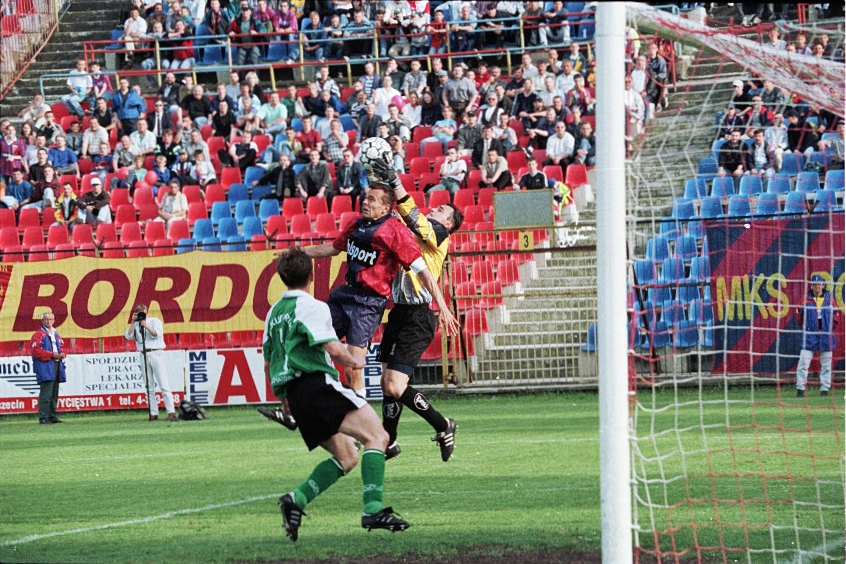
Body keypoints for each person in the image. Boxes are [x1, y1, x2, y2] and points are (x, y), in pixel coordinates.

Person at [262, 248, 410, 542]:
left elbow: (268, 363)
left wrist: (284, 398)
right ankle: (373, 509)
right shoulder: (313, 306)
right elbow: (332, 348)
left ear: (281, 277)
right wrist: (354, 361)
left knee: (347, 456)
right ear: (312, 276)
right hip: (317, 386)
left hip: (296, 395)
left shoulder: (273, 313)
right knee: (378, 437)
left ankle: (296, 499)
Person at [302, 184, 450, 399]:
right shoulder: (356, 224)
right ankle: (322, 397)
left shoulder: (396, 231)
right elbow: (333, 248)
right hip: (345, 294)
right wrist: (300, 252)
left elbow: (423, 271)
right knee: (312, 344)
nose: (365, 202)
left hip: (368, 303)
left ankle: (361, 414)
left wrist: (442, 305)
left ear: (385, 208)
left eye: (371, 199)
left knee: (353, 368)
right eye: (365, 197)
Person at [367, 149, 463, 463]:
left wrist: (395, 180)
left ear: (448, 224)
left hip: (419, 316)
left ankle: (443, 424)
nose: (435, 208)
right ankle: (389, 441)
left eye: (441, 209)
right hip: (399, 312)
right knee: (387, 383)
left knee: (395, 385)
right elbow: (397, 219)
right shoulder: (417, 232)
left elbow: (412, 217)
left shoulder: (439, 235)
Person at [125, 304, 176, 421]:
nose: (141, 314)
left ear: (147, 312)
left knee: (163, 383)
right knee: (149, 385)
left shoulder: (155, 321)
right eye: (139, 312)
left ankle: (171, 412)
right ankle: (153, 413)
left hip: (156, 352)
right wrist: (133, 322)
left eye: (143, 312)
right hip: (143, 353)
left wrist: (146, 325)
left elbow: (156, 334)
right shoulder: (136, 324)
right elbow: (129, 336)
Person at [795, 274, 840, 398]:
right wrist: (808, 328)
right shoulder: (804, 300)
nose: (817, 287)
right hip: (810, 334)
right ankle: (800, 389)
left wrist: (828, 329)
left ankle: (824, 390)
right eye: (815, 285)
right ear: (811, 286)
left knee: (826, 364)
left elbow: (836, 316)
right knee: (803, 363)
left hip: (825, 334)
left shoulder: (830, 300)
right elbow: (799, 316)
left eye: (819, 284)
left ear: (823, 285)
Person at [32, 311, 68, 425]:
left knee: (54, 393)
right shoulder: (39, 334)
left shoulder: (56, 333)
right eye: (46, 319)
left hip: (57, 364)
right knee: (46, 393)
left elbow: (61, 346)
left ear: (54, 320)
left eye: (50, 319)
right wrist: (52, 355)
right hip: (46, 365)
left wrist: (62, 353)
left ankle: (52, 416)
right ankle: (43, 417)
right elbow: (36, 351)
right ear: (42, 321)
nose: (48, 321)